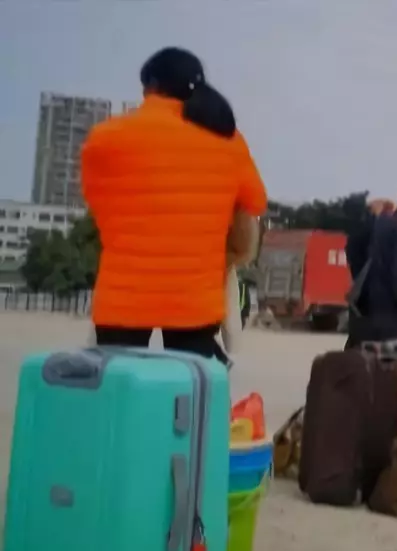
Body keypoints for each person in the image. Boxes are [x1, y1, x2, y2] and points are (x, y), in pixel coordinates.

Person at [81, 47, 266, 361]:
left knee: (118, 385)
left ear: (151, 86)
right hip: (195, 298)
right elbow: (255, 201)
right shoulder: (228, 139)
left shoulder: (105, 136)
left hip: (123, 296)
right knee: (190, 385)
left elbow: (96, 199)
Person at [347, 187, 397, 344]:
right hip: (395, 318)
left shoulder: (379, 224)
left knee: (361, 358)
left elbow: (353, 250)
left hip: (366, 314)